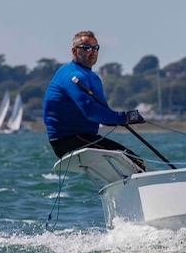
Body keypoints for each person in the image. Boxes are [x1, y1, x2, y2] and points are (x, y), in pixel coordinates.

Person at [43, 30, 146, 168]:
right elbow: (91, 112)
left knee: (130, 160)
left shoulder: (93, 77)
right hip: (68, 140)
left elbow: (103, 112)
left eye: (95, 47)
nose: (92, 52)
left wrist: (125, 117)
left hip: (85, 137)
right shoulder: (72, 75)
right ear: (74, 51)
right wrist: (124, 118)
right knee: (132, 159)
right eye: (86, 48)